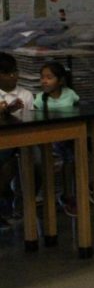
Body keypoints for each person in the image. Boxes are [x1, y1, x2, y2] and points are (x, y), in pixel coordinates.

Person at [34, 62, 80, 217]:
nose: (44, 81)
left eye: (49, 77)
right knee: (52, 161)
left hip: (68, 136)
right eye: (42, 78)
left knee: (72, 159)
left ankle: (70, 194)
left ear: (60, 80)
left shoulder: (70, 94)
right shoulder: (41, 99)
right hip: (49, 138)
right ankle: (48, 196)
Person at [0, 53, 34, 228]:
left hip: (23, 141)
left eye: (15, 72)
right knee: (6, 166)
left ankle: (23, 206)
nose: (13, 77)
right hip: (4, 144)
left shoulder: (26, 95)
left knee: (36, 163)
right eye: (8, 73)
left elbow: (31, 119)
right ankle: (6, 207)